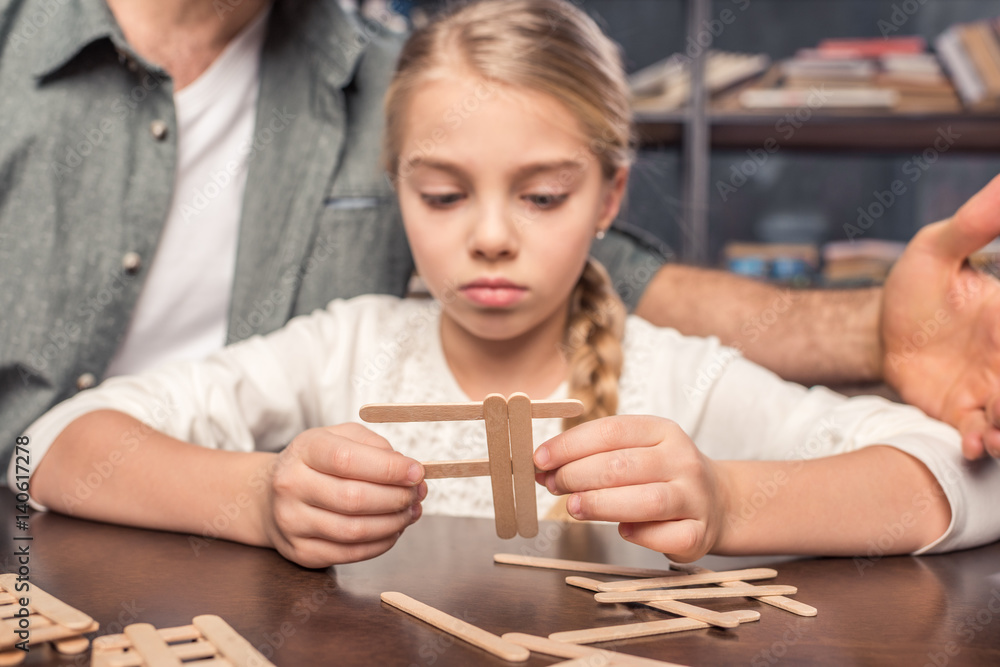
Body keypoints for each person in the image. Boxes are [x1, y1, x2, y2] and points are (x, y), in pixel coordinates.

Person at [18, 0, 1000, 569]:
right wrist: (258, 493)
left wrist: (732, 502)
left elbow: (962, 480)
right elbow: (52, 442)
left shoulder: (676, 378)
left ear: (609, 196)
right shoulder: (346, 345)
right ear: (394, 184)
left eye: (540, 195)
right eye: (443, 195)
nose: (489, 239)